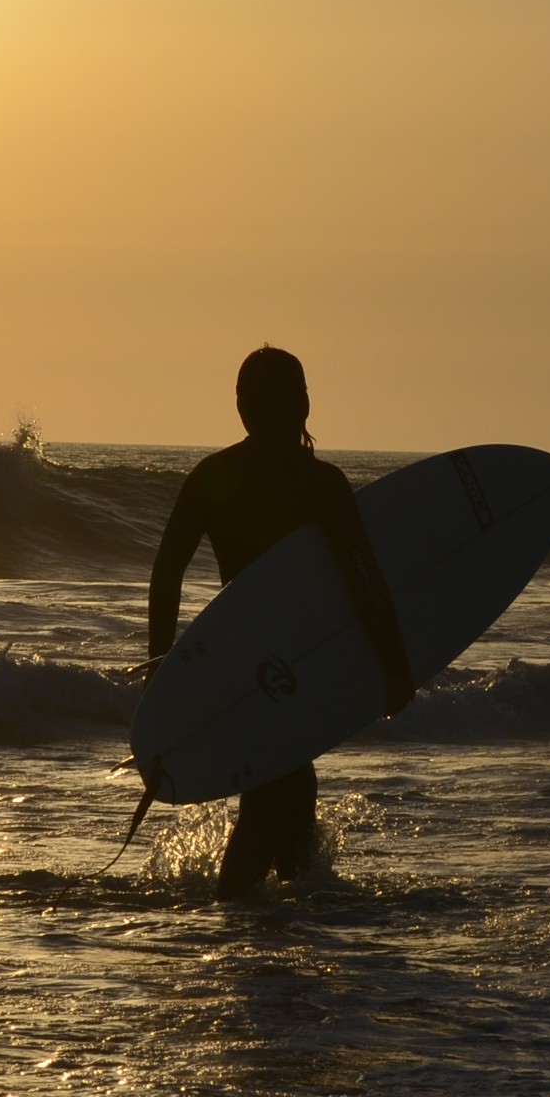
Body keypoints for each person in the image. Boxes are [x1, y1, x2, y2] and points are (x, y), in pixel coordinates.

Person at [147, 346, 416, 898]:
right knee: (273, 785)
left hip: (239, 658)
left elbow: (166, 573)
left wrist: (163, 664)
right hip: (300, 661)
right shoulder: (321, 484)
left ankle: (291, 904)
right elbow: (367, 583)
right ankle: (237, 911)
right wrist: (393, 666)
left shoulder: (214, 475)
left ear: (243, 407)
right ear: (303, 404)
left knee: (292, 780)